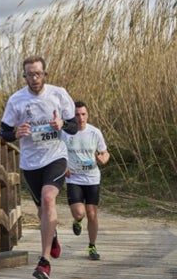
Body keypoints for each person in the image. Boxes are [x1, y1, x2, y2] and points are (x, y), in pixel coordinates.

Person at [0, 55, 78, 279]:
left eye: (38, 74)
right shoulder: (16, 100)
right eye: (30, 75)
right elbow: (2, 133)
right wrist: (15, 133)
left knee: (48, 197)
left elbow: (73, 127)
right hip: (30, 163)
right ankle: (51, 235)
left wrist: (62, 124)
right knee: (42, 209)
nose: (34, 78)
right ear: (24, 76)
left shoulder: (59, 94)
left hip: (56, 156)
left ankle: (43, 262)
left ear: (45, 74)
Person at [62, 100, 110, 261]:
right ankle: (77, 221)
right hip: (74, 178)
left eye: (83, 114)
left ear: (87, 115)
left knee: (92, 213)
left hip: (92, 178)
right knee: (79, 212)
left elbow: (105, 152)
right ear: (72, 116)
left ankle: (92, 246)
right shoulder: (65, 133)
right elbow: (55, 152)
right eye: (77, 115)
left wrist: (103, 158)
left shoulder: (95, 132)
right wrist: (63, 166)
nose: (80, 118)